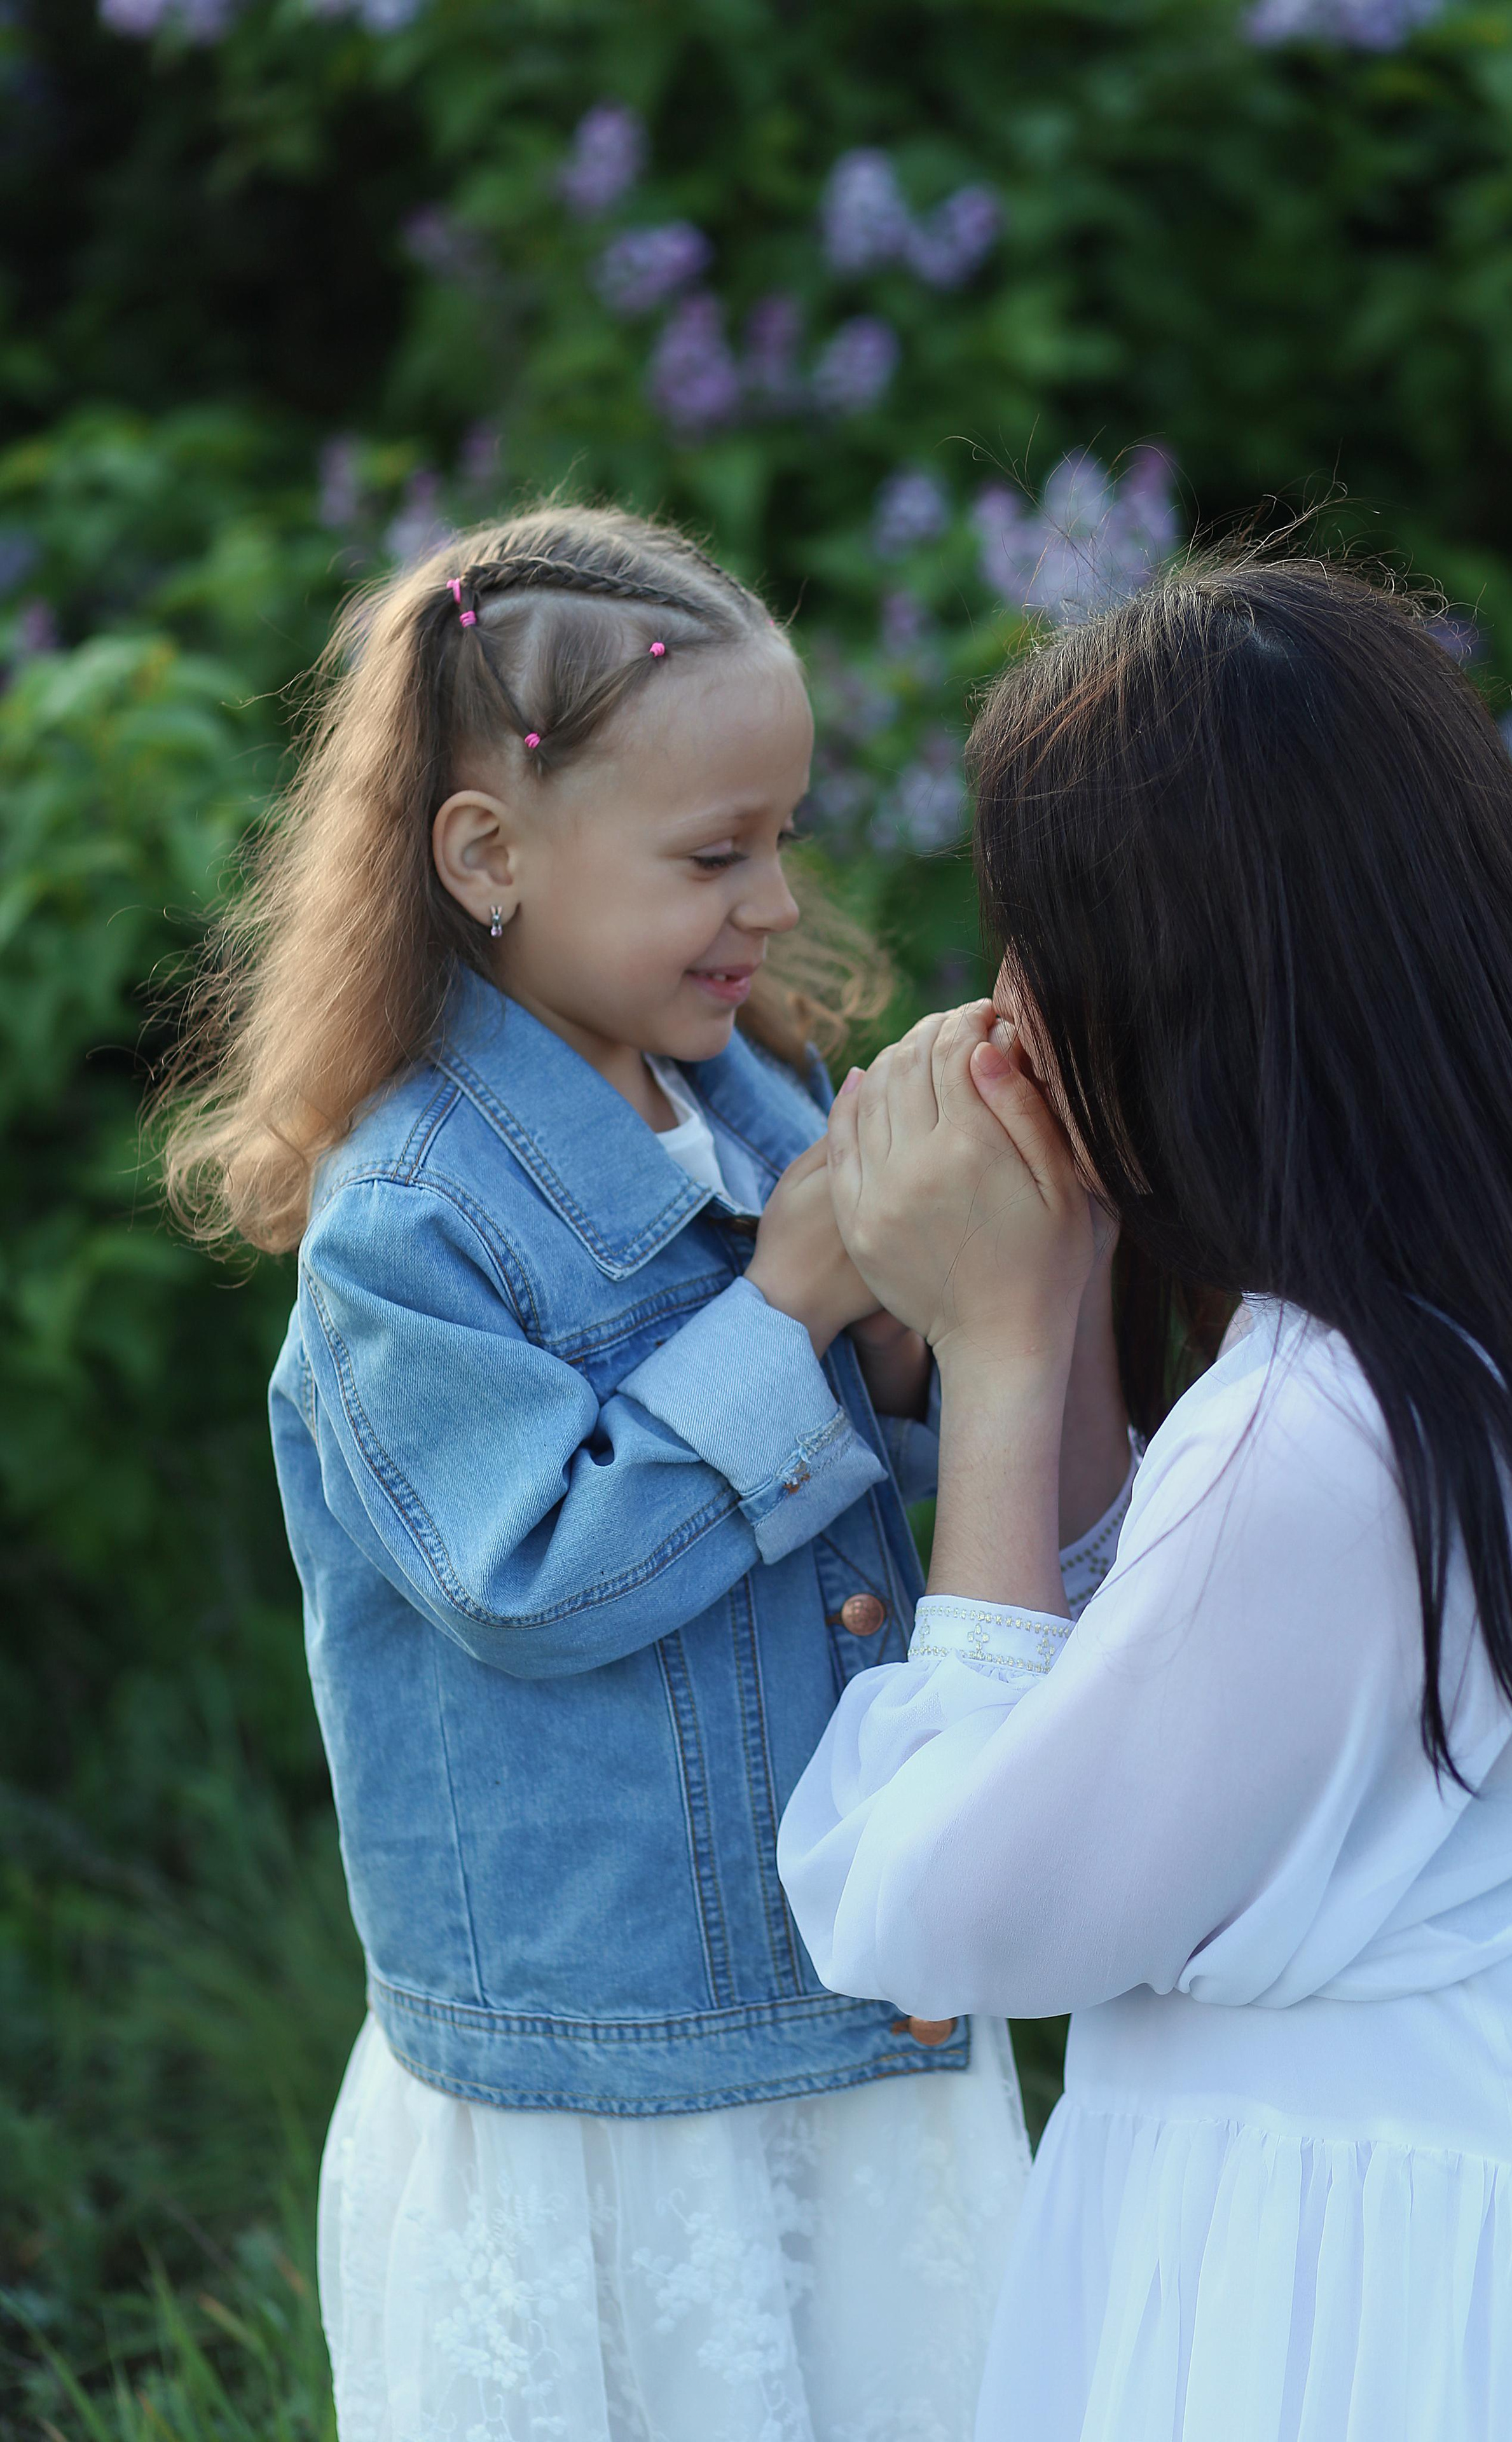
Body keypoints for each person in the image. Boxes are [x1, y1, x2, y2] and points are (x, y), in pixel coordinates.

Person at [158, 504, 1068, 2441]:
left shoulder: (754, 1095)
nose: (768, 900)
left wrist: (914, 1277)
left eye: (784, 837)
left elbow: (886, 1439)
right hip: (603, 2070)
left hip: (834, 2006)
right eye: (711, 854)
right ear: (489, 858)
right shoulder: (407, 1220)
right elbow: (540, 1573)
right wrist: (799, 1295)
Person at [779, 556, 1512, 2442]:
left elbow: (956, 1912)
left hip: (1353, 2316)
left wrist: (997, 1353)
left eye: (1037, 958)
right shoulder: (1463, 1339)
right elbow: (1155, 1680)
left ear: (1162, 1005)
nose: (1000, 1010)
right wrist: (1062, 1273)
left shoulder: (1321, 1436)